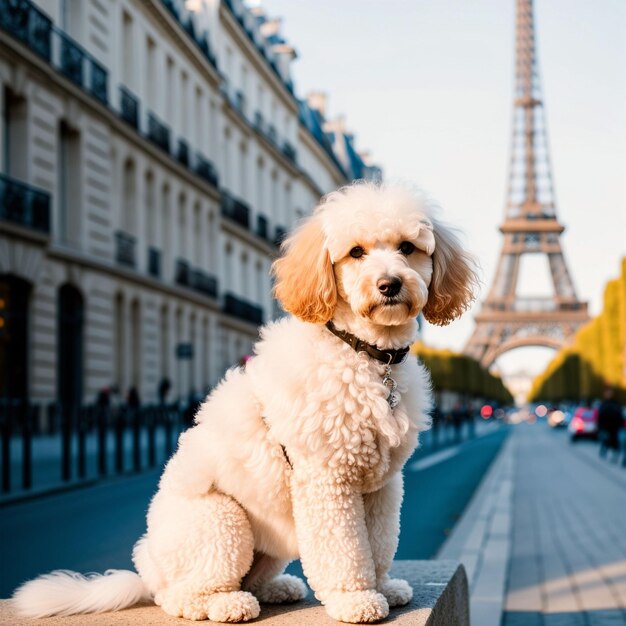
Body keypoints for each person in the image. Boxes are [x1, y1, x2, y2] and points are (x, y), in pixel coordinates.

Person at [597, 387, 622, 462]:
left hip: (614, 427)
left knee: (614, 442)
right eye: (607, 393)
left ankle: (614, 456)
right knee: (605, 440)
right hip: (605, 427)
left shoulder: (615, 403)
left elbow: (619, 414)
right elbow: (600, 416)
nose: (608, 394)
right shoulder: (603, 404)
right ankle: (604, 452)